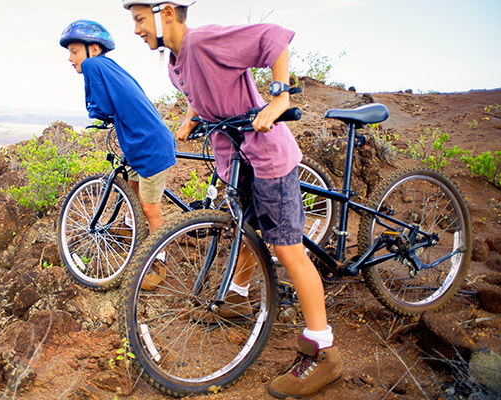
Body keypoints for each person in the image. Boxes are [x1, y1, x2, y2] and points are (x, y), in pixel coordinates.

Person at [121, 1, 342, 398]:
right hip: (236, 159)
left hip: (267, 157)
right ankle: (238, 299)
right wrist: (192, 115)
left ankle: (324, 352)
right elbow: (203, 87)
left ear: (166, 12)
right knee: (244, 233)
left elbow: (273, 38)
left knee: (286, 249)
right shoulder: (175, 60)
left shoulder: (205, 40)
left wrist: (279, 98)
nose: (136, 29)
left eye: (140, 19)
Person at [60, 19, 176, 288]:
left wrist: (97, 117)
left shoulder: (93, 65)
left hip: (149, 146)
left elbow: (99, 107)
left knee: (150, 209)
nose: (70, 58)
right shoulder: (109, 66)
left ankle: (159, 263)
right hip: (142, 142)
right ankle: (127, 228)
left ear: (94, 50)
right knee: (133, 192)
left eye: (74, 51)